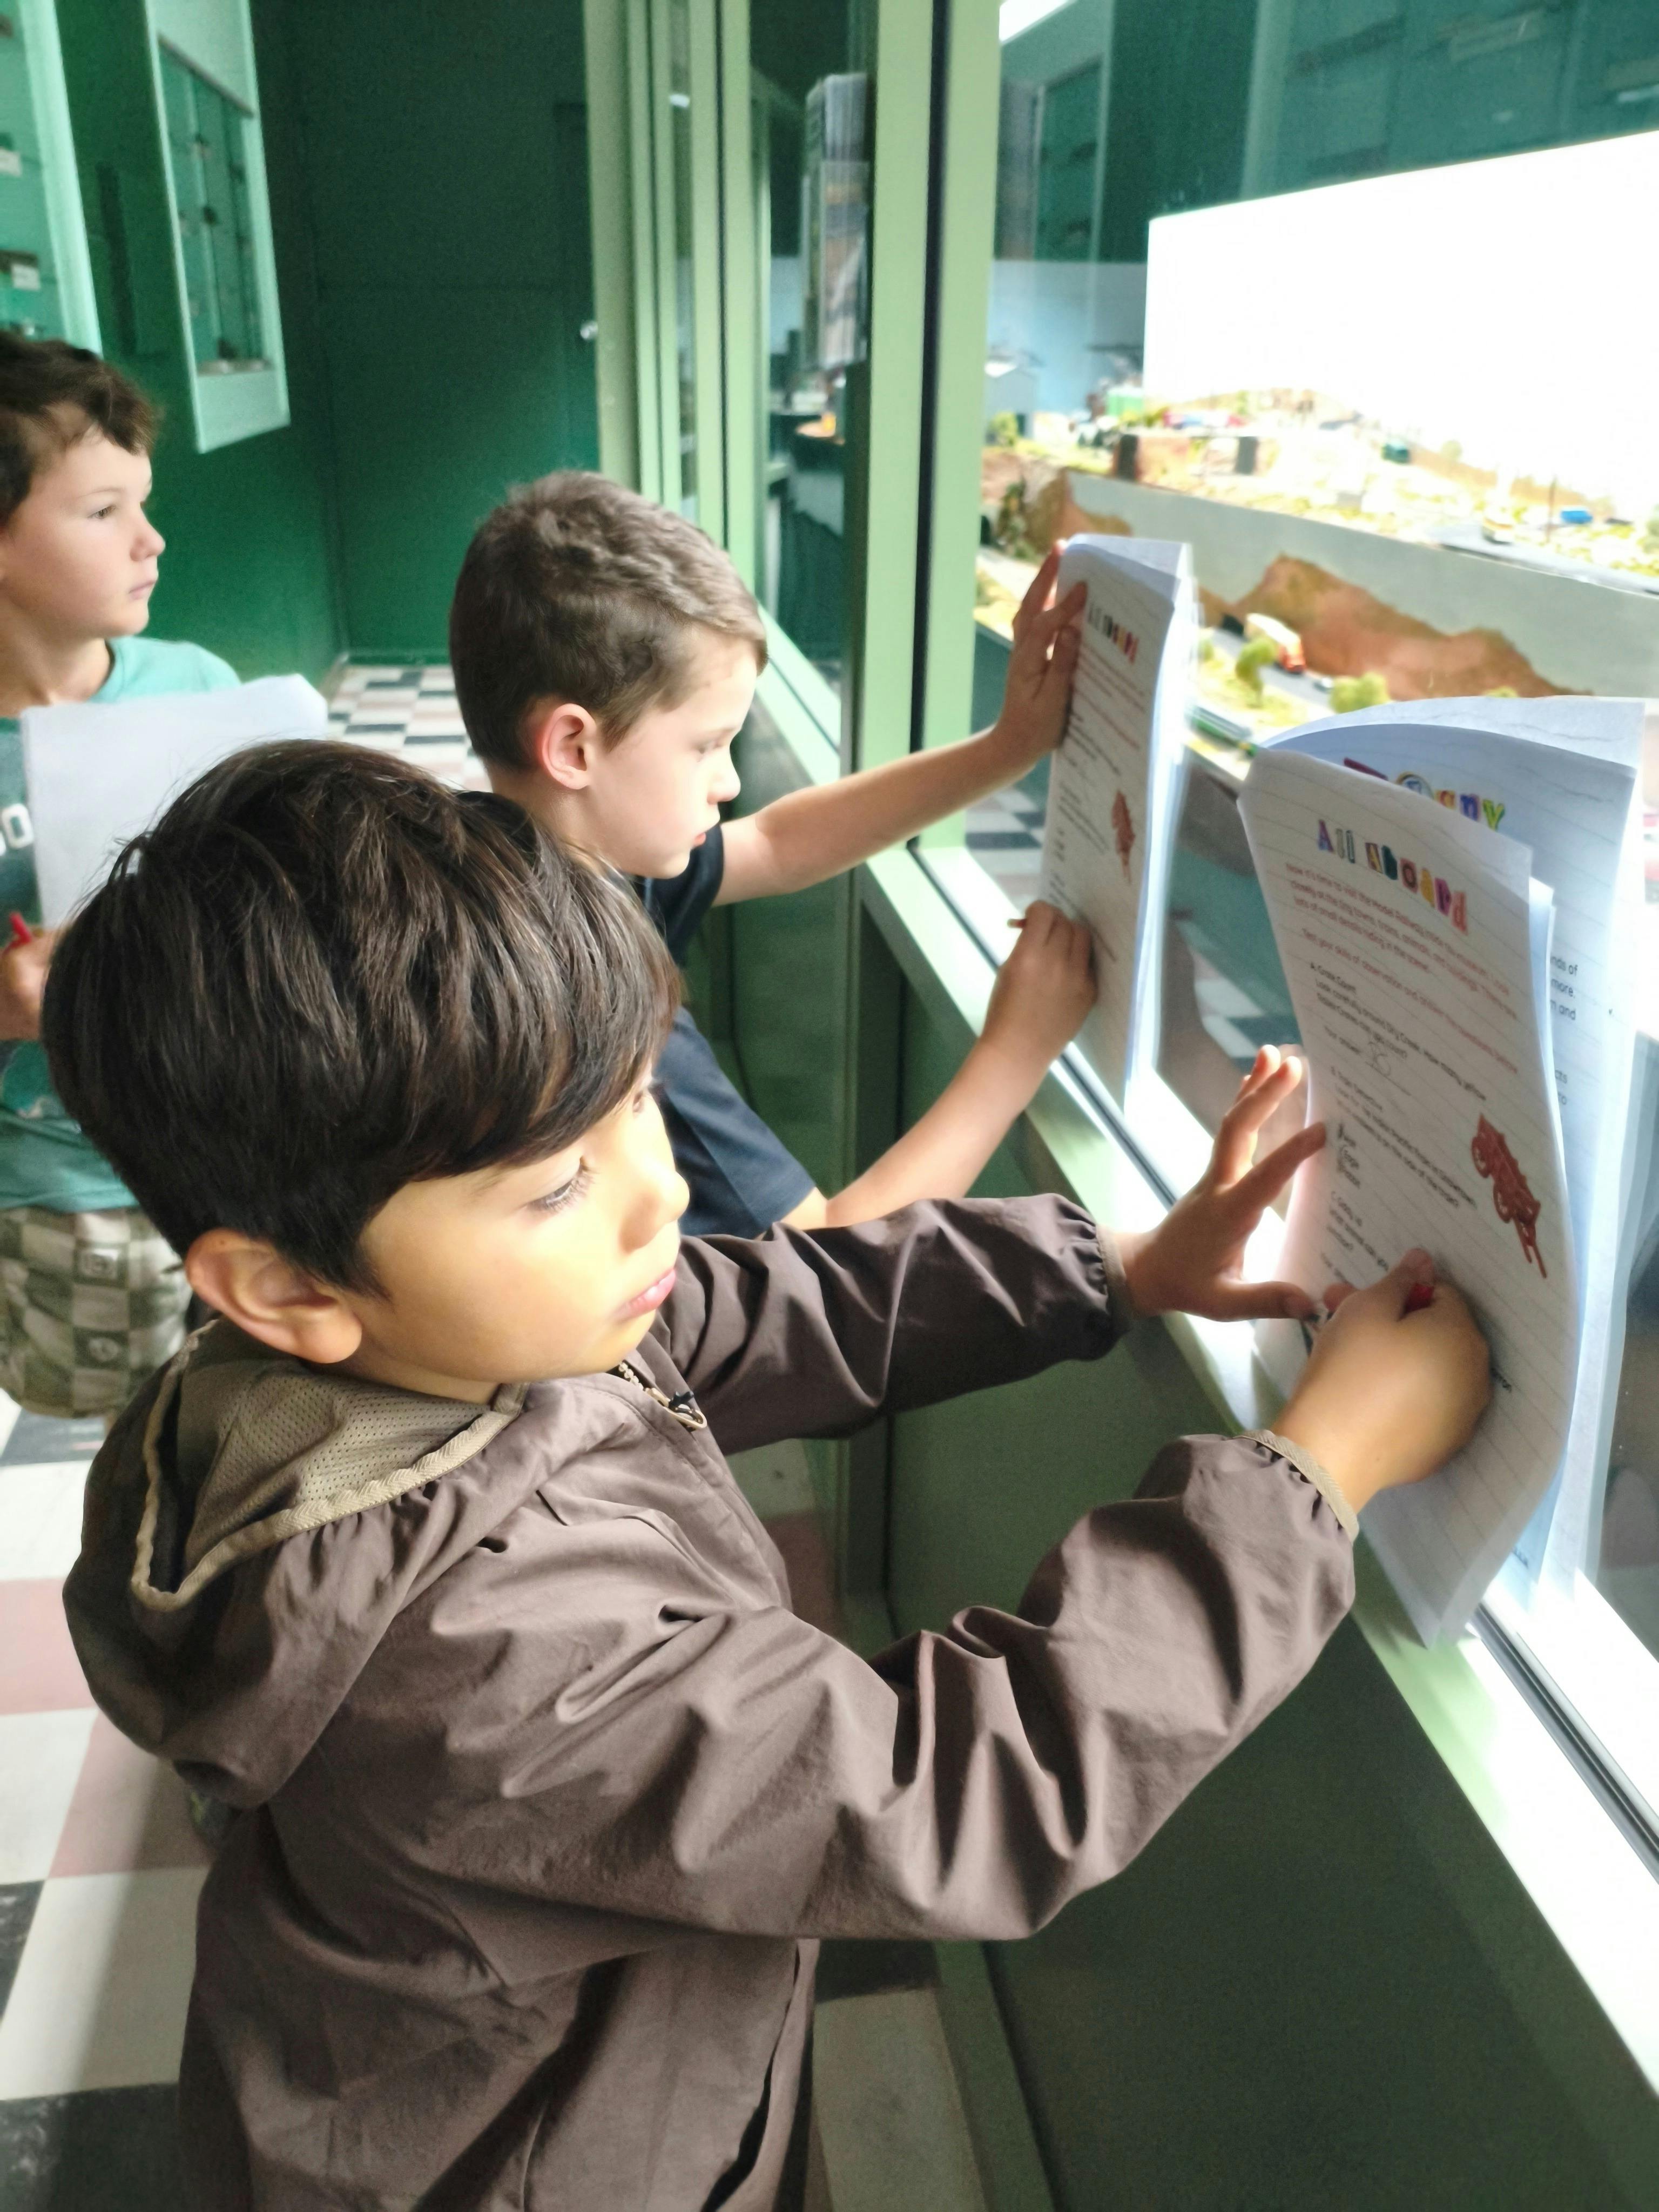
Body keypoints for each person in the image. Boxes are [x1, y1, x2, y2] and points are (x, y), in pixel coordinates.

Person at [49, 743, 1490, 2211]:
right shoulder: (490, 1655)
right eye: (560, 1184)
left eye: (638, 1110)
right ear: (286, 1288)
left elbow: (762, 1308)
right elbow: (946, 1795)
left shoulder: (422, 1347)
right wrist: (1318, 1471)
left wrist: (1117, 1267)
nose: (660, 1194)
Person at [449, 470, 1095, 1236]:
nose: (730, 783)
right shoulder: (595, 1009)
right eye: (708, 746)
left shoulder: (522, 860)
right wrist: (1016, 1052)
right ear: (573, 747)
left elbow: (779, 843)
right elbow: (830, 1261)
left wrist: (1008, 747)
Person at [0, 334, 235, 1418]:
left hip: (236, 1142)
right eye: (103, 513)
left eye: (143, 504)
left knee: (262, 1398)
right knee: (131, 1417)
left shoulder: (197, 690)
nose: (152, 541)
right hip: (62, 1187)